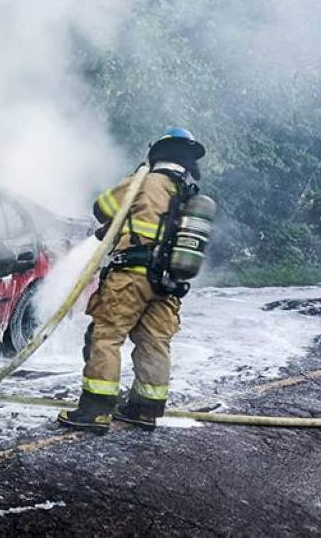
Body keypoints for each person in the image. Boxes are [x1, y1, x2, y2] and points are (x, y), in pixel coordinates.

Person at [57, 127, 206, 433]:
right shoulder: (188, 196)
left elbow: (101, 209)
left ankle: (95, 411)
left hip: (131, 277)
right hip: (166, 284)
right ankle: (144, 410)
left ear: (158, 153)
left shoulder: (145, 182)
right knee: (154, 343)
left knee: (106, 337)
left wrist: (134, 177)